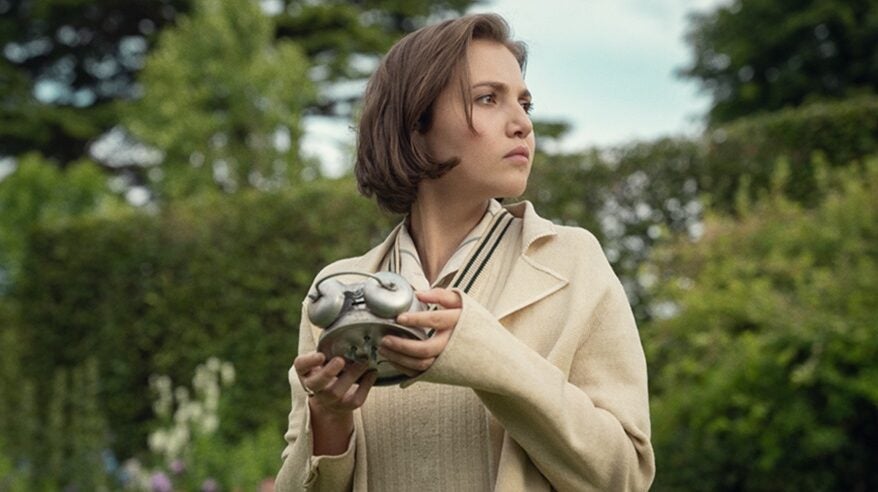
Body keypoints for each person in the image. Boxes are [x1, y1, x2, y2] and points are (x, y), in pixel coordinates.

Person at [275, 13, 654, 492]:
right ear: (416, 123)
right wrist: (329, 419)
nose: (521, 125)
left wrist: (485, 353)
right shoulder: (338, 291)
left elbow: (624, 477)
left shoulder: (571, 261)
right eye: (488, 99)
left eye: (525, 104)